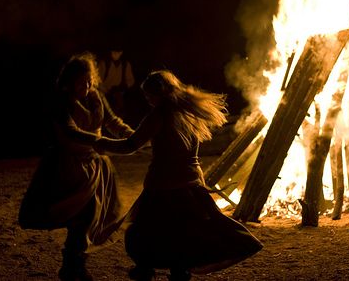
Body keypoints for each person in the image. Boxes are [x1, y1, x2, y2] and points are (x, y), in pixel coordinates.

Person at [95, 70, 263, 281]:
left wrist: (97, 142)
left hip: (164, 186)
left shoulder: (159, 115)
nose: (148, 100)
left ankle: (149, 268)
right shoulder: (187, 112)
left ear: (158, 94)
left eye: (149, 95)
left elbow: (131, 145)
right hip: (191, 183)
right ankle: (178, 272)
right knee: (184, 234)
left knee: (145, 233)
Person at [18, 51, 135, 281]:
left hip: (95, 166)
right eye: (82, 81)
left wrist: (133, 137)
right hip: (70, 167)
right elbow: (71, 132)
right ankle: (72, 265)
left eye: (90, 79)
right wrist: (102, 141)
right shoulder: (62, 103)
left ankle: (74, 265)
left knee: (93, 215)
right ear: (70, 82)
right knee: (79, 215)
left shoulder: (96, 96)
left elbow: (111, 121)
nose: (88, 84)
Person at [97, 47, 135, 120]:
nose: (115, 54)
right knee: (105, 114)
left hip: (118, 94)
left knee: (119, 113)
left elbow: (131, 80)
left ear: (121, 53)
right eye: (113, 52)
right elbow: (98, 81)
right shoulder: (104, 63)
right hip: (105, 94)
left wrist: (123, 87)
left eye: (118, 52)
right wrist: (107, 91)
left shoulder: (125, 64)